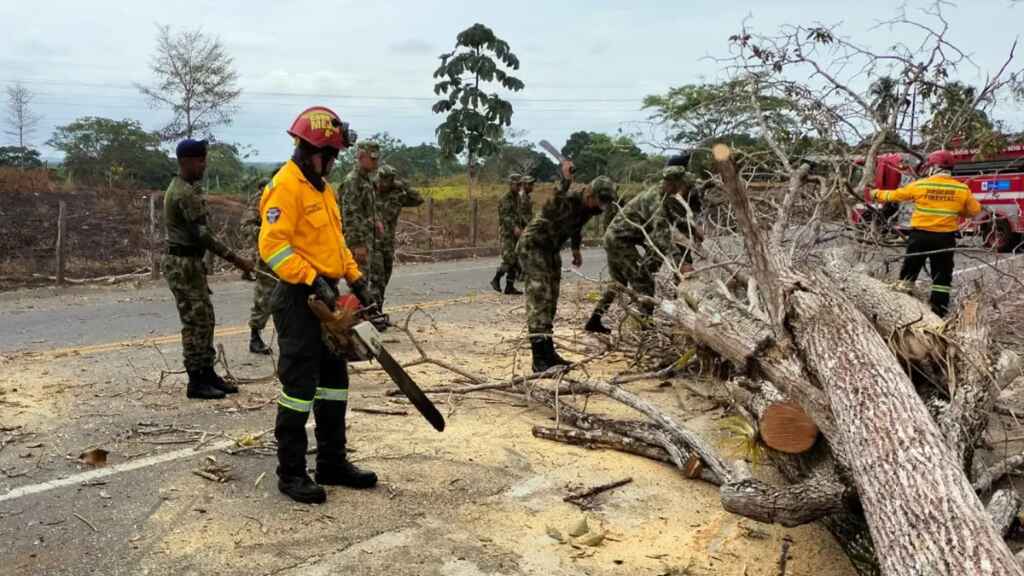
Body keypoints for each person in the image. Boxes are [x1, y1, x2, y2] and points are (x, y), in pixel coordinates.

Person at [258, 106, 377, 504]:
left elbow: (335, 242)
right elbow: (273, 247)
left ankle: (332, 463)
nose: (334, 162)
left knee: (334, 384)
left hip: (328, 295)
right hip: (298, 300)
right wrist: (311, 278)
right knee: (299, 388)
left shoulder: (323, 189)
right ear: (315, 151)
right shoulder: (285, 186)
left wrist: (356, 279)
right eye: (332, 155)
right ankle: (291, 474)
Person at [162, 138, 254, 400]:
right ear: (186, 162)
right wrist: (237, 260)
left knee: (206, 320)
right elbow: (202, 235)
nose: (204, 165)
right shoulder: (183, 193)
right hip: (183, 264)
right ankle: (196, 381)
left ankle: (206, 373)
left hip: (191, 263)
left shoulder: (189, 188)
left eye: (204, 159)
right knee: (195, 323)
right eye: (200, 160)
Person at [518, 162, 617, 372]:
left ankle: (549, 353)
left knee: (551, 299)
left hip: (551, 249)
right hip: (534, 245)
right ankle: (539, 360)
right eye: (599, 201)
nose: (600, 207)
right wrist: (565, 180)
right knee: (539, 299)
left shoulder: (589, 209)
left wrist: (576, 249)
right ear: (590, 193)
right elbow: (553, 202)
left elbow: (576, 227)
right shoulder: (569, 198)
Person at [866, 149, 981, 316]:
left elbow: (895, 195)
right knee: (942, 277)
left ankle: (900, 307)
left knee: (909, 272)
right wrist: (955, 209)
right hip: (945, 239)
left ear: (933, 167)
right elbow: (974, 211)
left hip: (920, 236)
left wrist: (873, 193)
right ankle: (939, 311)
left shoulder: (921, 185)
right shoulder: (961, 189)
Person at [585, 162, 697, 334]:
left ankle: (594, 320)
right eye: (681, 184)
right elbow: (661, 234)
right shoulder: (656, 199)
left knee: (618, 283)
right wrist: (679, 262)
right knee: (644, 283)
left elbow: (671, 217)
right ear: (673, 183)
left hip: (617, 238)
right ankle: (645, 328)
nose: (682, 188)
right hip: (620, 241)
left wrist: (692, 227)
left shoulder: (663, 195)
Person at [374, 164, 424, 308]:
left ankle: (378, 310)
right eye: (382, 179)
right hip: (371, 243)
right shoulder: (369, 192)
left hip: (387, 244)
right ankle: (372, 312)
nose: (383, 183)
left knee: (385, 277)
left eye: (388, 181)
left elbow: (418, 199)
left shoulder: (397, 194)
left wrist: (403, 186)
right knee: (375, 279)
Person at [340, 141, 381, 300]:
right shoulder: (353, 181)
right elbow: (349, 214)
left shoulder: (366, 180)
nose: (376, 162)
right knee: (359, 284)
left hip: (367, 239)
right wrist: (357, 244)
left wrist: (376, 221)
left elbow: (365, 208)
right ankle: (355, 319)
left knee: (366, 281)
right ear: (361, 157)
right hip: (359, 243)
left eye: (377, 158)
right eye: (372, 158)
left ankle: (364, 317)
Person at [241, 178, 276, 354]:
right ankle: (255, 337)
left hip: (293, 254)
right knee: (265, 297)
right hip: (268, 255)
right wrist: (267, 234)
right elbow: (246, 227)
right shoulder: (260, 198)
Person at [491, 173, 529, 295]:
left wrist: (527, 225)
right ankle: (496, 279)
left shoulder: (517, 197)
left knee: (516, 260)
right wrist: (514, 228)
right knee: (510, 260)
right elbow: (505, 217)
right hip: (507, 234)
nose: (519, 187)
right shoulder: (505, 199)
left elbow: (519, 215)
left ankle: (509, 287)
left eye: (520, 185)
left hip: (516, 233)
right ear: (511, 184)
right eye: (517, 185)